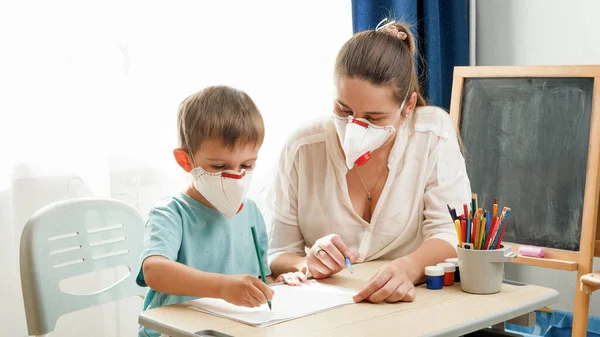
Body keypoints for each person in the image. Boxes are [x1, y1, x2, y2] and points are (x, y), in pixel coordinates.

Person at [266, 20, 472, 303]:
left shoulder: (432, 133)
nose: (354, 128)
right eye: (343, 109)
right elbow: (278, 252)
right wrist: (307, 264)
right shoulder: (303, 147)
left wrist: (408, 268)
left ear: (408, 106)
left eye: (373, 118)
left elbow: (452, 232)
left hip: (413, 308)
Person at [136, 86, 275, 337]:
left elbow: (263, 276)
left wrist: (278, 286)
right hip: (174, 332)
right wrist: (222, 287)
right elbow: (154, 271)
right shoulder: (171, 213)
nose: (236, 176)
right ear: (185, 161)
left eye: (247, 165)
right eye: (219, 166)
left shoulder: (252, 211)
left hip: (232, 330)